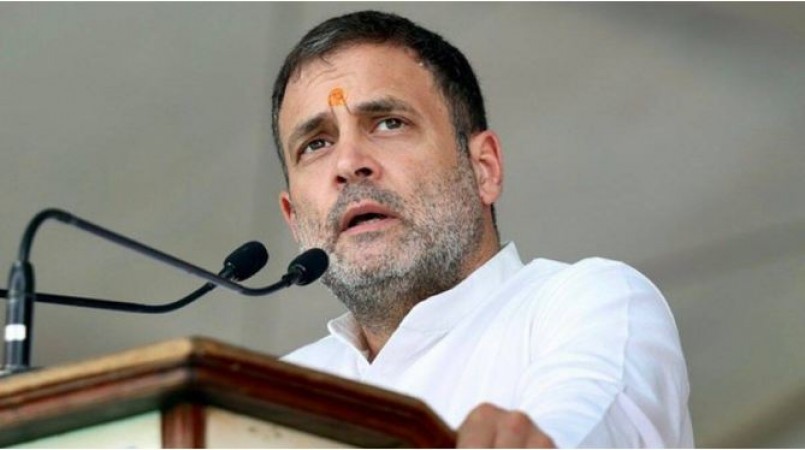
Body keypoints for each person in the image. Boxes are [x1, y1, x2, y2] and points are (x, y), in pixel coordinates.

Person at [271, 10, 693, 448]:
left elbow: (580, 431)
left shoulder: (586, 303)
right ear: (293, 218)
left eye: (389, 123)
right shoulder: (277, 390)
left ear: (483, 168)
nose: (348, 163)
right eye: (316, 144)